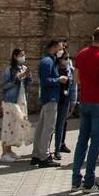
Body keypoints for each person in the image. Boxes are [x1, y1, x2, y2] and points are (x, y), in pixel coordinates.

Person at [69, 26, 99, 193]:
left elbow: (77, 79)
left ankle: (75, 180)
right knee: (96, 142)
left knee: (82, 140)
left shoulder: (81, 54)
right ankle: (89, 181)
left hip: (85, 101)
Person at [30, 39, 64, 167]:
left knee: (41, 127)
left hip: (49, 98)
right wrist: (59, 79)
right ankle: (44, 157)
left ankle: (37, 155)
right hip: (50, 98)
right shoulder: (47, 61)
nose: (62, 50)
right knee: (48, 128)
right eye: (60, 47)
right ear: (54, 47)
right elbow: (46, 80)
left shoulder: (49, 61)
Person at [0, 47, 32, 163]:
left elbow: (28, 83)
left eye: (24, 55)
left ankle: (10, 150)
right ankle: (4, 152)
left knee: (16, 125)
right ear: (15, 56)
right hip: (10, 100)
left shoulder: (23, 68)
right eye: (21, 55)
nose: (23, 57)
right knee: (8, 125)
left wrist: (28, 75)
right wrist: (18, 77)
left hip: (21, 99)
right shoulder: (9, 69)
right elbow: (5, 85)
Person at [54, 40, 76, 154]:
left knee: (61, 125)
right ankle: (47, 149)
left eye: (68, 58)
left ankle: (58, 148)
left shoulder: (70, 70)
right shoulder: (54, 68)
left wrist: (73, 101)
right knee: (51, 125)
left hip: (65, 99)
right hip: (55, 99)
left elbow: (73, 86)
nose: (67, 60)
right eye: (65, 58)